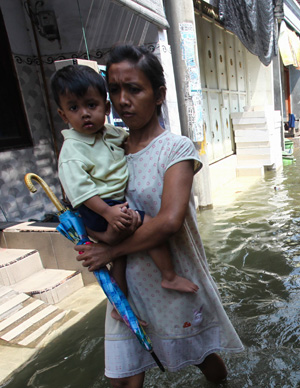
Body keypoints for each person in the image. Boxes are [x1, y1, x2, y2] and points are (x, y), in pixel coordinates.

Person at [74, 45, 244, 388]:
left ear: (160, 94)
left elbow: (168, 221)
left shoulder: (176, 149)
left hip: (170, 279)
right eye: (114, 90)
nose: (122, 100)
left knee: (202, 356)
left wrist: (110, 250)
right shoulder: (107, 147)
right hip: (123, 281)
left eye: (134, 89)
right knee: (124, 383)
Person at [50, 64, 198, 298]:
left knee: (119, 256)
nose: (85, 114)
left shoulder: (112, 135)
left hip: (110, 205)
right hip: (98, 207)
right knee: (147, 223)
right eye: (74, 108)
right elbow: (80, 192)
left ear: (105, 107)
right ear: (63, 115)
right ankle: (168, 276)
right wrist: (107, 214)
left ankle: (120, 301)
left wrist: (110, 250)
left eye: (91, 105)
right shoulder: (72, 151)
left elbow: (132, 139)